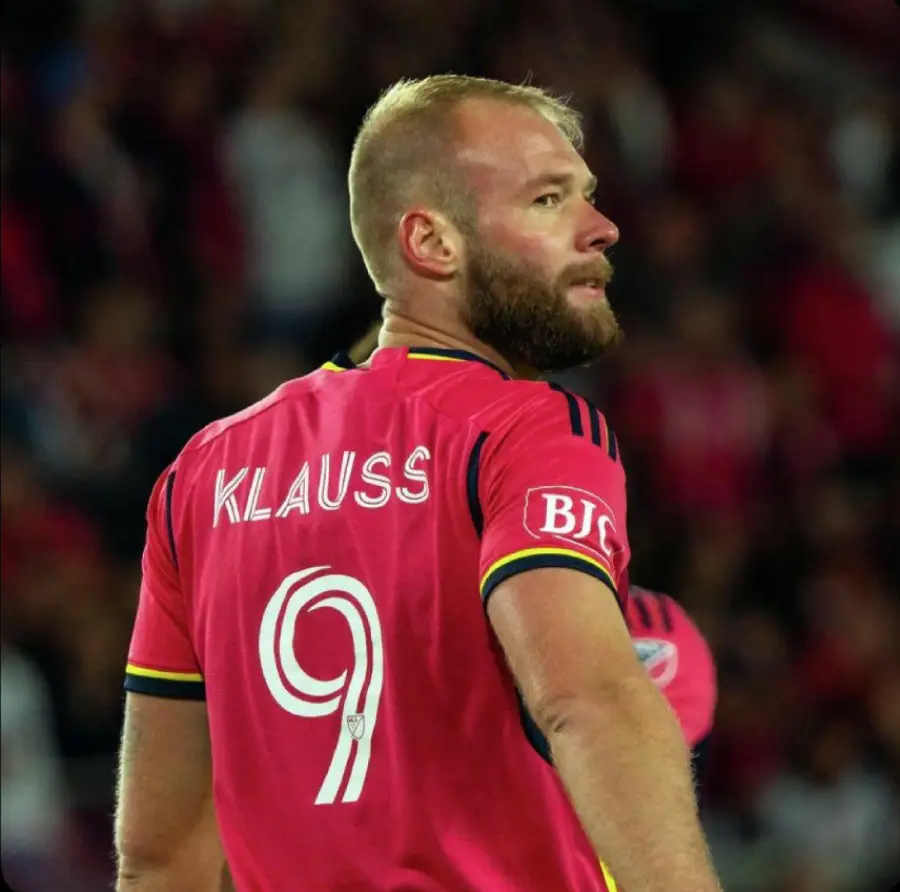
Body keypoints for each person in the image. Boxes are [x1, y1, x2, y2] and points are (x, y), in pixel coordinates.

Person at [114, 75, 721, 892]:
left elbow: (158, 854)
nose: (602, 228)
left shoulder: (203, 472)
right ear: (432, 243)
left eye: (588, 195)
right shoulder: (527, 428)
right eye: (548, 201)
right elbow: (588, 701)